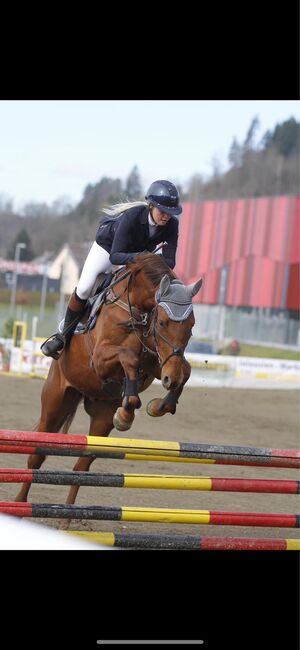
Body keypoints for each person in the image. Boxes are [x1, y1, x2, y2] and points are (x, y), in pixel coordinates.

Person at [41, 179, 182, 359]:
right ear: (151, 205)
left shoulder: (172, 225)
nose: (166, 217)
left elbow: (169, 261)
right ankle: (62, 336)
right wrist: (147, 258)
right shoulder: (132, 216)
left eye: (171, 213)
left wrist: (149, 260)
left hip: (136, 255)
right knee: (85, 288)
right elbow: (115, 256)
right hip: (108, 248)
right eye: (163, 211)